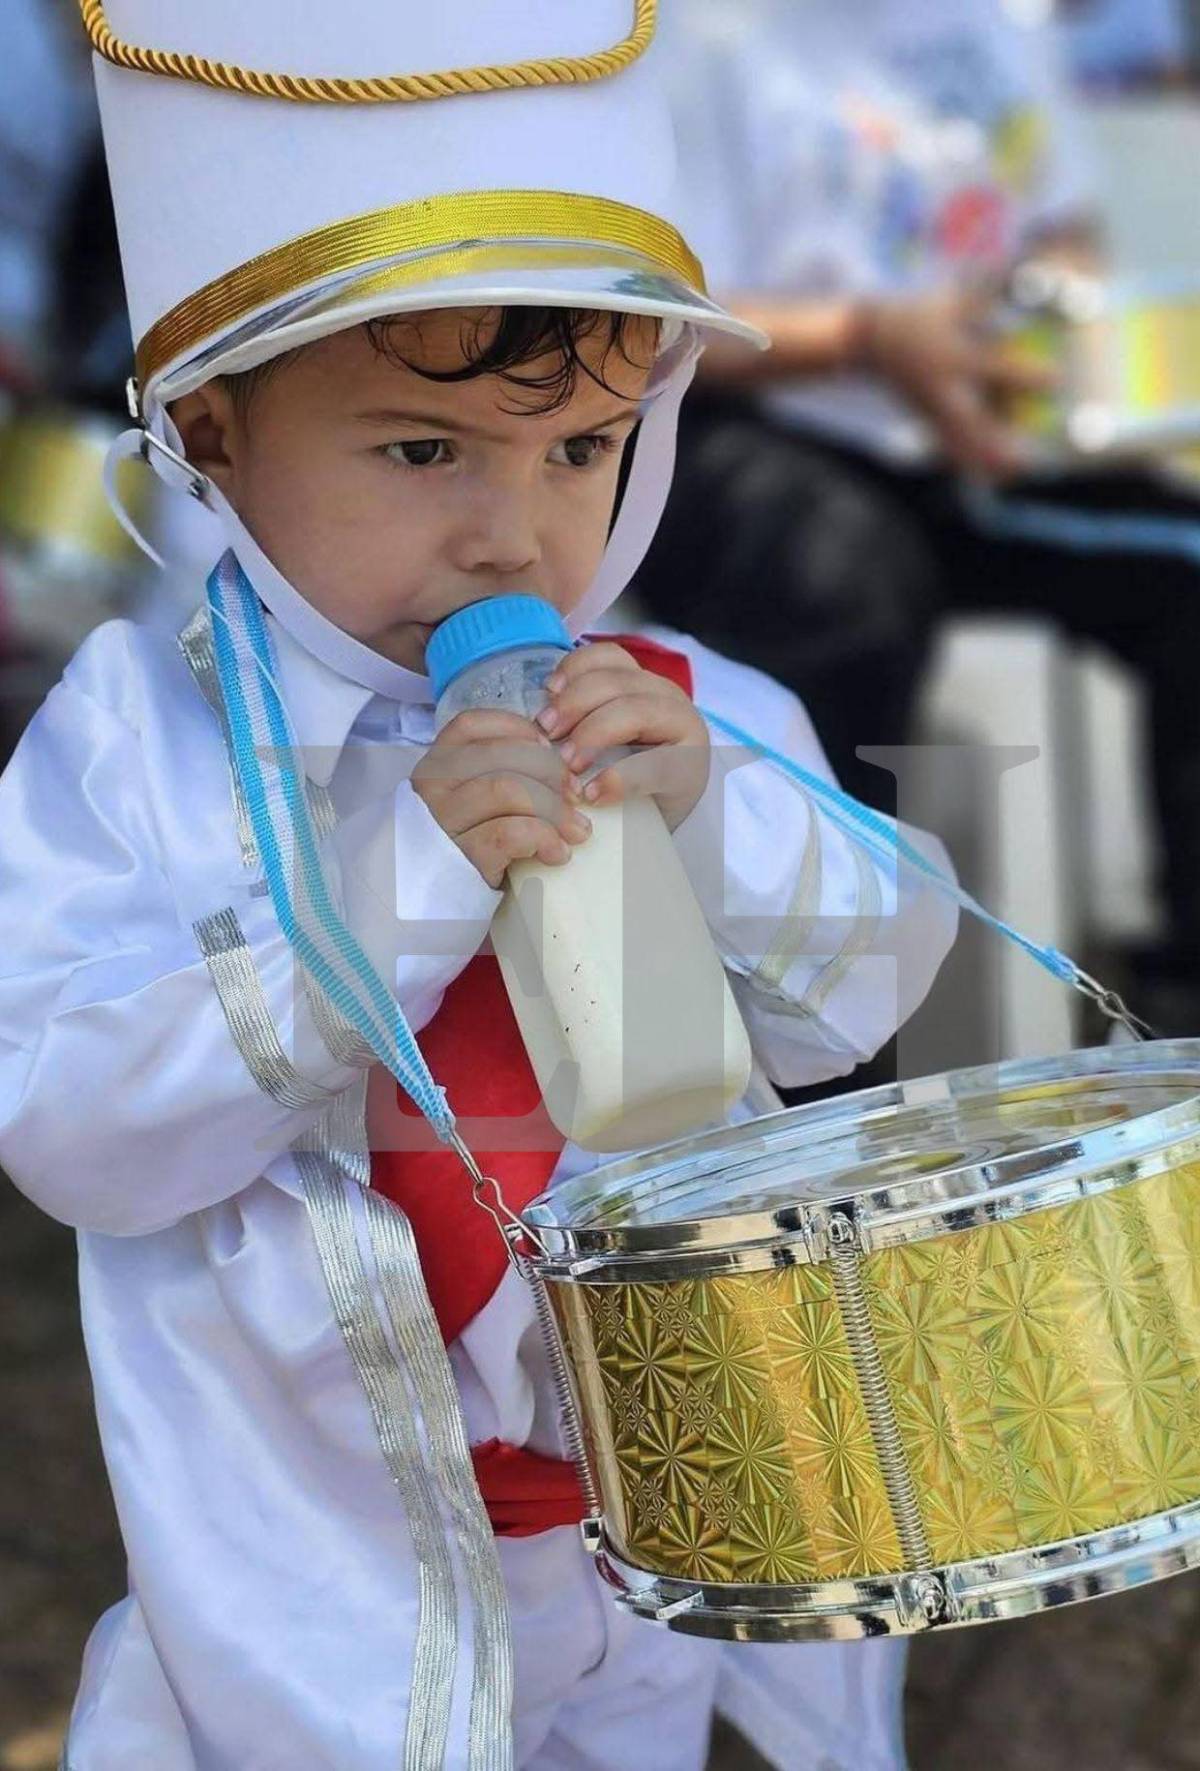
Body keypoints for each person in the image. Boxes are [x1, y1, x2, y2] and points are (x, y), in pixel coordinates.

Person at [0, 4, 956, 1767]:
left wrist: (721, 823)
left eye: (582, 450)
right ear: (210, 434)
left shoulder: (692, 709)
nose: (515, 536)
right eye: (424, 451)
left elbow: (859, 1002)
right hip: (311, 1580)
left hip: (650, 1522)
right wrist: (384, 904)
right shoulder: (140, 743)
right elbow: (68, 1125)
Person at [641, 0, 1200, 1033]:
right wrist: (868, 338)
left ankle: (1180, 1021)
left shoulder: (996, 22)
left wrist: (1051, 339)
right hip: (755, 430)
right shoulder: (689, 35)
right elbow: (652, 318)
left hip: (972, 444)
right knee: (839, 588)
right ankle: (822, 1063)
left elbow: (1062, 228)